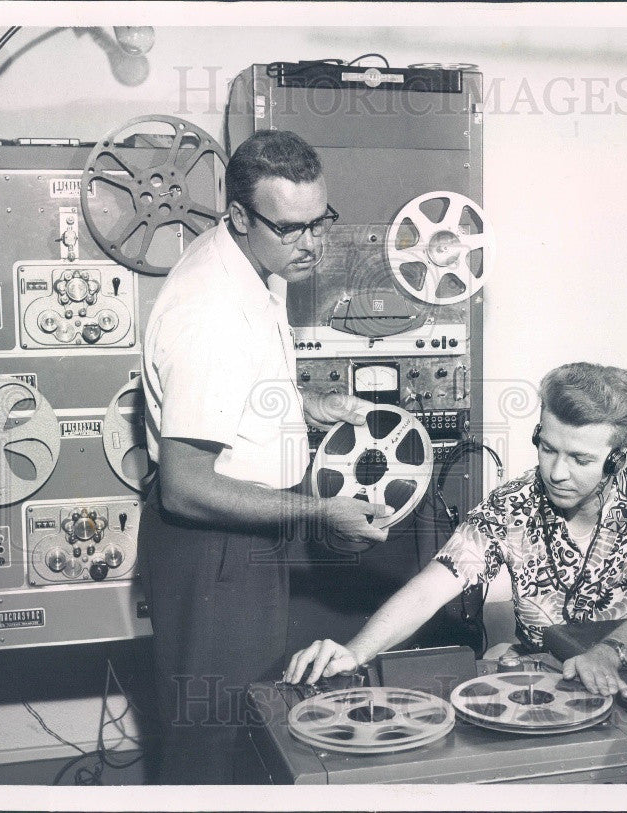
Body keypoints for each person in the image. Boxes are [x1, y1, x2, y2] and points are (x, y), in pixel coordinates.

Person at [139, 130, 388, 784]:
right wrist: (320, 513)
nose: (313, 243)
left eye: (320, 221)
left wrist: (305, 405)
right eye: (292, 228)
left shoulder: (254, 260)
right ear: (241, 216)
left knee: (257, 722)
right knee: (214, 736)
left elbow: (236, 395)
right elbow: (184, 486)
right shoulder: (211, 313)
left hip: (245, 532)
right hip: (212, 546)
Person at [285, 362, 627, 700]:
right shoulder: (512, 500)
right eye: (547, 448)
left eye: (580, 459)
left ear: (620, 461)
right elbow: (432, 586)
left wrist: (607, 656)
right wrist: (355, 652)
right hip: (541, 686)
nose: (557, 472)